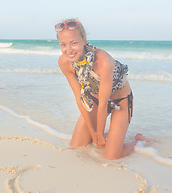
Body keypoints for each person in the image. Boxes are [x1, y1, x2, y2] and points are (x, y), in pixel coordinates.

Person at [55, 18, 151, 160]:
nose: (69, 50)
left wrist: (98, 133)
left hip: (121, 102)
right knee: (77, 146)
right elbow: (79, 97)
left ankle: (140, 141)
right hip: (95, 101)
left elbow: (104, 102)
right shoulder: (64, 62)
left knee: (112, 156)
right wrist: (93, 132)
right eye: (63, 44)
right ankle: (110, 137)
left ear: (84, 40)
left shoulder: (103, 60)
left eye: (73, 43)